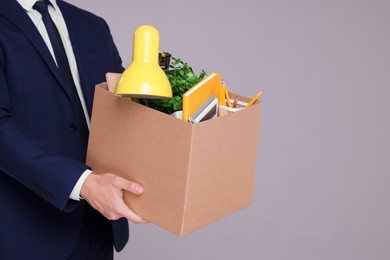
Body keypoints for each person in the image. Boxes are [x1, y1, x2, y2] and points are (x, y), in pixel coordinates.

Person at [0, 0, 147, 259]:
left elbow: (123, 105)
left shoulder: (92, 25)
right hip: (27, 230)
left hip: (101, 223)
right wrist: (84, 184)